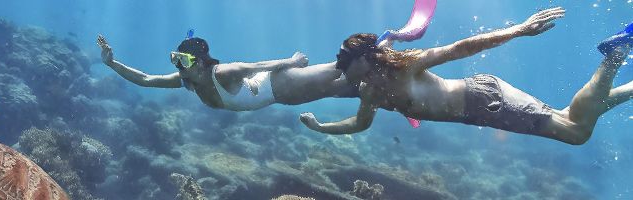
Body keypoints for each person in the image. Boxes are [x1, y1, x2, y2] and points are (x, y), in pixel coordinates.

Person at [299, 7, 633, 145]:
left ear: (366, 57)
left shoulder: (405, 65)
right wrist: (320, 127)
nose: (341, 65)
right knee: (571, 120)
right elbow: (360, 124)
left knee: (576, 132)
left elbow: (461, 47)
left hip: (485, 101)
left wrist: (518, 30)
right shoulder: (370, 90)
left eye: (345, 58)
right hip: (481, 108)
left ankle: (615, 55)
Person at [97, 34, 358, 111]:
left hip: (280, 81)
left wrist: (290, 61)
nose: (178, 66)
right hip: (281, 97)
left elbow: (253, 67)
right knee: (347, 87)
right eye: (175, 59)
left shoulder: (220, 73)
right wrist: (111, 62)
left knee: (340, 68)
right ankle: (387, 81)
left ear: (200, 62)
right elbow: (145, 79)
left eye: (183, 60)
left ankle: (377, 46)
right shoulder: (187, 81)